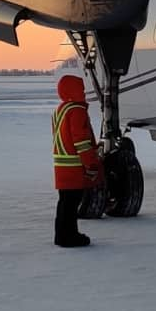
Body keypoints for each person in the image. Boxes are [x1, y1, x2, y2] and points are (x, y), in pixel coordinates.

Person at [51, 74, 103, 248]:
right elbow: (81, 141)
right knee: (71, 204)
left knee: (64, 203)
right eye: (80, 89)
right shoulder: (77, 111)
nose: (83, 92)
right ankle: (69, 236)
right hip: (74, 166)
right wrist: (91, 164)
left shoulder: (61, 109)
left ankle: (62, 235)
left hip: (61, 166)